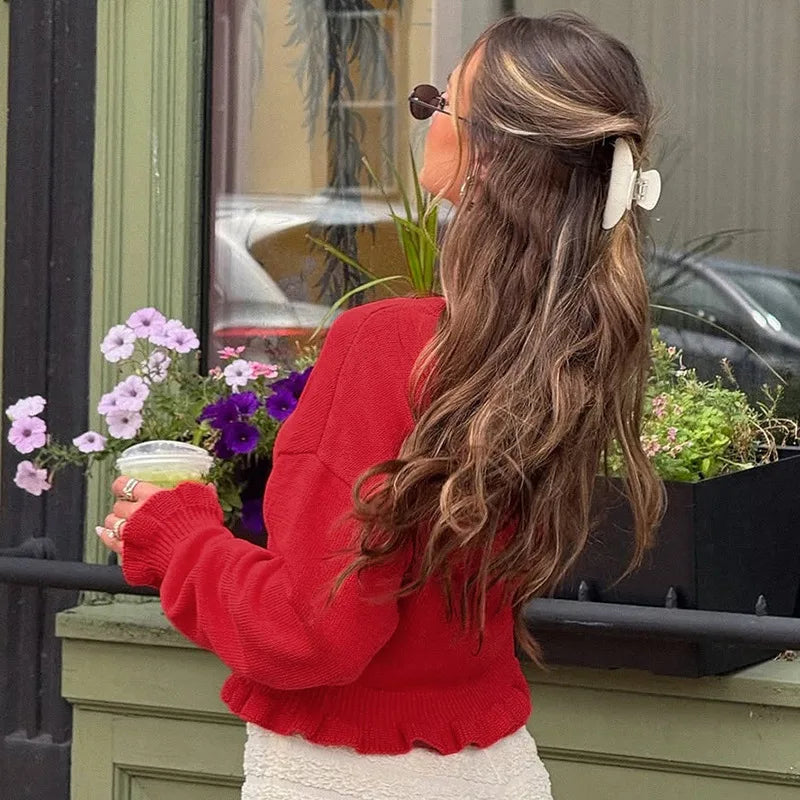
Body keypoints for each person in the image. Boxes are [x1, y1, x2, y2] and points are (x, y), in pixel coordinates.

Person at [98, 12, 663, 800]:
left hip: (350, 777)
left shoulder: (393, 346)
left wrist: (176, 534)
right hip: (495, 768)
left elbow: (310, 633)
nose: (427, 118)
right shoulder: (562, 352)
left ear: (489, 155)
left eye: (439, 102)